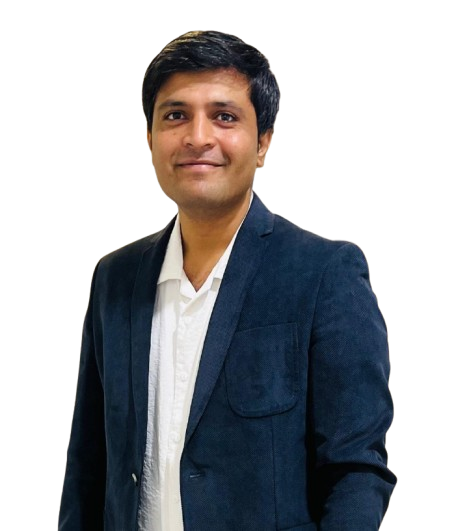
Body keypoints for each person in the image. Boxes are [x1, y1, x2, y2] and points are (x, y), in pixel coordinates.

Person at [58, 29, 396, 530]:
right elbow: (88, 465)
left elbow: (356, 470)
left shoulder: (324, 273)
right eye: (175, 115)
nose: (198, 137)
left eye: (224, 116)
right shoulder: (116, 277)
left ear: (263, 142)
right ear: (149, 138)